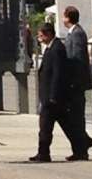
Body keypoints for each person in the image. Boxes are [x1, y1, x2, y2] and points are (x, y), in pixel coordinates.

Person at [30, 23, 72, 162]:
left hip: (51, 96)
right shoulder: (50, 48)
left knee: (45, 127)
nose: (39, 38)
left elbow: (57, 74)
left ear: (48, 34)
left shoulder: (57, 48)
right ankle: (82, 144)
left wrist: (53, 95)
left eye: (41, 35)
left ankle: (43, 153)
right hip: (49, 95)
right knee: (65, 123)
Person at [59, 7, 92, 160]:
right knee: (72, 116)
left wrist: (73, 80)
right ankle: (83, 144)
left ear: (68, 18)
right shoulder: (73, 33)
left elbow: (78, 58)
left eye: (63, 17)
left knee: (76, 116)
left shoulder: (77, 34)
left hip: (76, 83)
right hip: (73, 82)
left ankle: (81, 149)